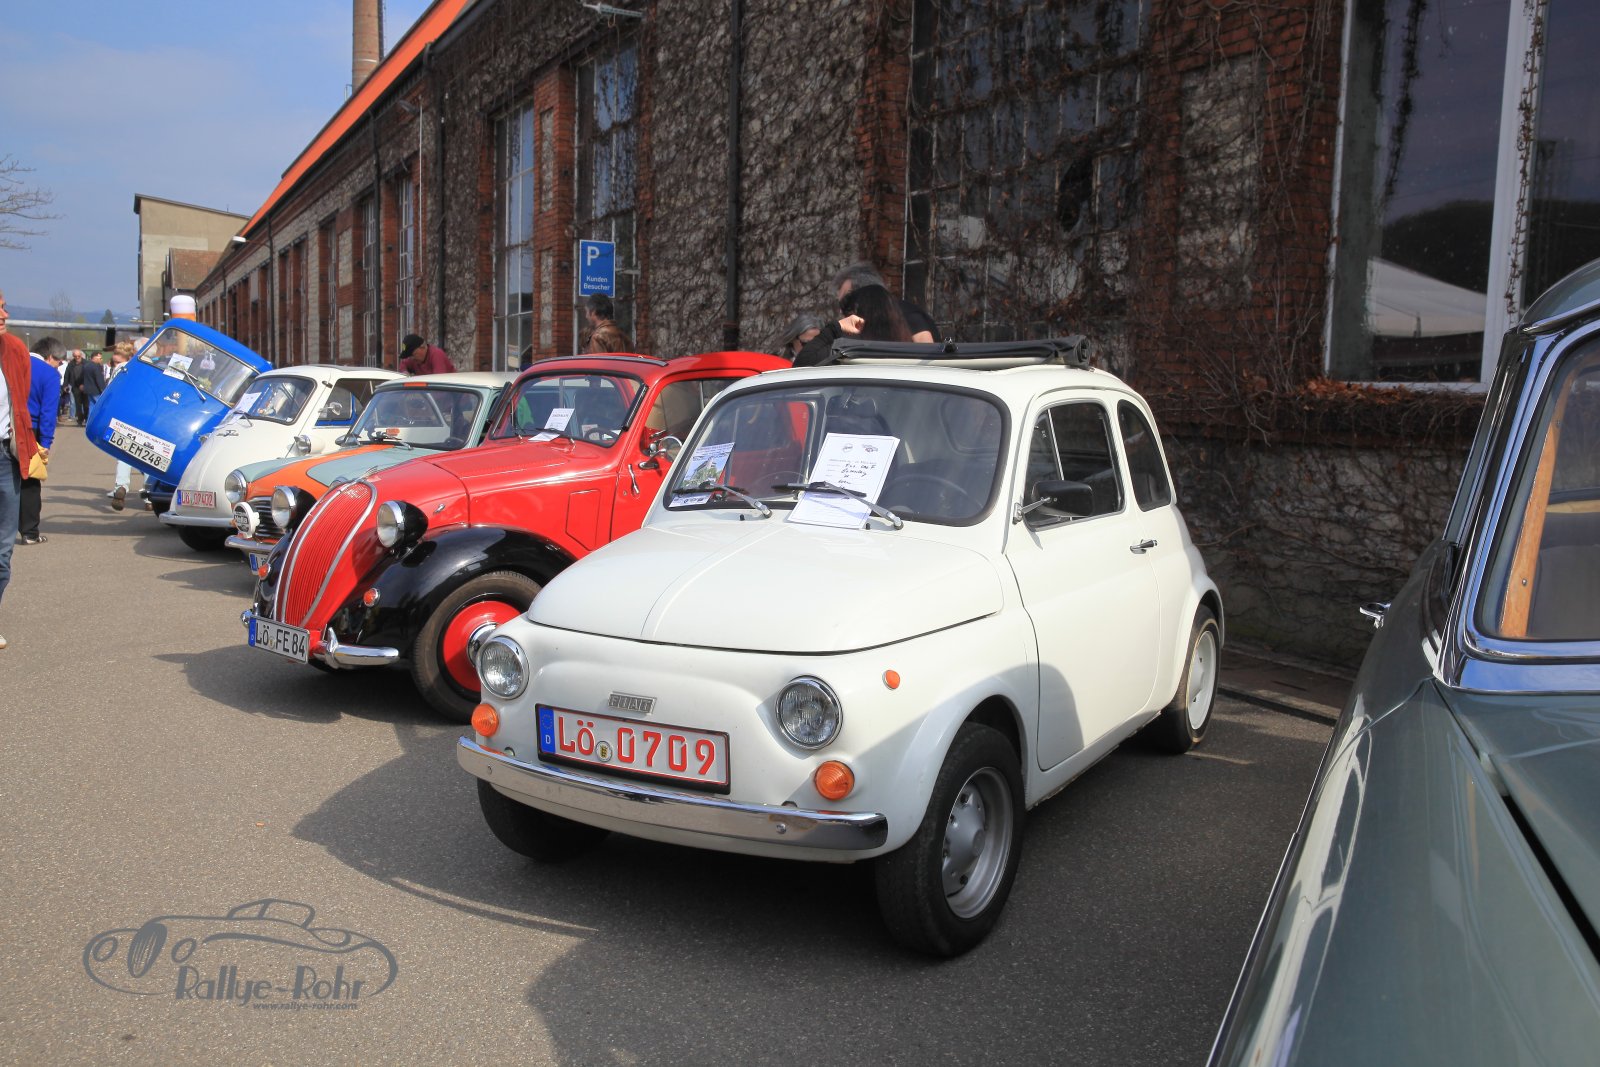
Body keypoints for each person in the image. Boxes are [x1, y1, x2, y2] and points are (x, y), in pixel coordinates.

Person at [0, 288, 43, 651]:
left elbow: (20, 402)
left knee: (2, 550)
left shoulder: (14, 349)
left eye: (3, 307)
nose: (4, 314)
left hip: (5, 457)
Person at [793, 283, 915, 366]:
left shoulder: (851, 351)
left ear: (856, 316)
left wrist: (835, 328)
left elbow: (803, 364)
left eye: (846, 314)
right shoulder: (908, 354)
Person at [18, 338, 63, 545]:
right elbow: (48, 412)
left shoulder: (12, 362)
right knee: (30, 481)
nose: (59, 366)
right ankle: (29, 532)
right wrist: (45, 442)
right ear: (50, 357)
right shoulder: (49, 374)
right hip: (32, 429)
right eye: (58, 362)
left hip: (7, 424)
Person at [832, 262, 937, 343]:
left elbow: (927, 351)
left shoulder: (904, 314)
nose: (842, 311)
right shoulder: (872, 323)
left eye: (847, 302)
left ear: (865, 294)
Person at [104, 341, 139, 510]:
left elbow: (110, 392)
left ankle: (121, 485)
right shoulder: (140, 368)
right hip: (140, 414)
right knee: (145, 453)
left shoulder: (119, 370)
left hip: (122, 414)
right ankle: (148, 494)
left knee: (124, 452)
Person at [64, 350, 86, 424]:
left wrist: (85, 384)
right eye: (75, 356)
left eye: (78, 356)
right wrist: (65, 385)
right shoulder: (71, 364)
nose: (77, 357)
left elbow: (88, 375)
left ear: (81, 356)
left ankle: (86, 418)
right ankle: (80, 419)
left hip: (84, 385)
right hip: (74, 386)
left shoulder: (86, 363)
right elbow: (66, 375)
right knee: (76, 403)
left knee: (85, 404)